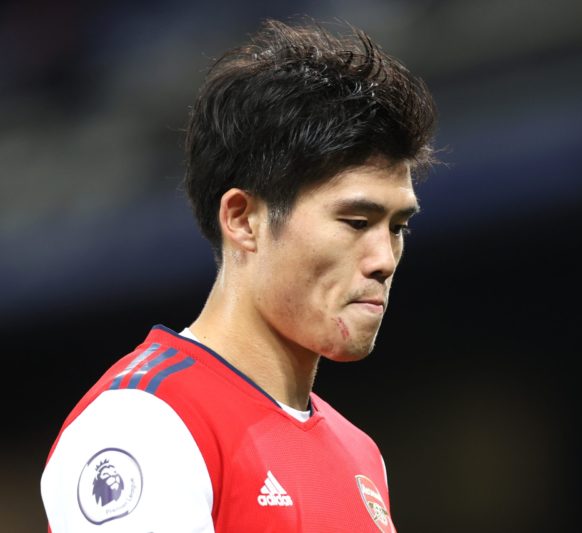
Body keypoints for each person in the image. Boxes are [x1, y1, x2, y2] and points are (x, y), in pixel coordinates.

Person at [40, 18, 437, 532]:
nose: (384, 258)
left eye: (398, 226)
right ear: (243, 220)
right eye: (356, 222)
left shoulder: (362, 457)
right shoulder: (144, 423)